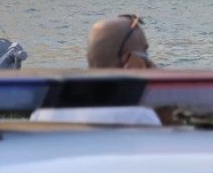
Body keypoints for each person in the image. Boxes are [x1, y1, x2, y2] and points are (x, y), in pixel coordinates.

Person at [31, 14, 160, 125]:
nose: (149, 62)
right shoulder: (138, 115)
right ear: (128, 60)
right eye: (144, 52)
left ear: (88, 56)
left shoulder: (46, 110)